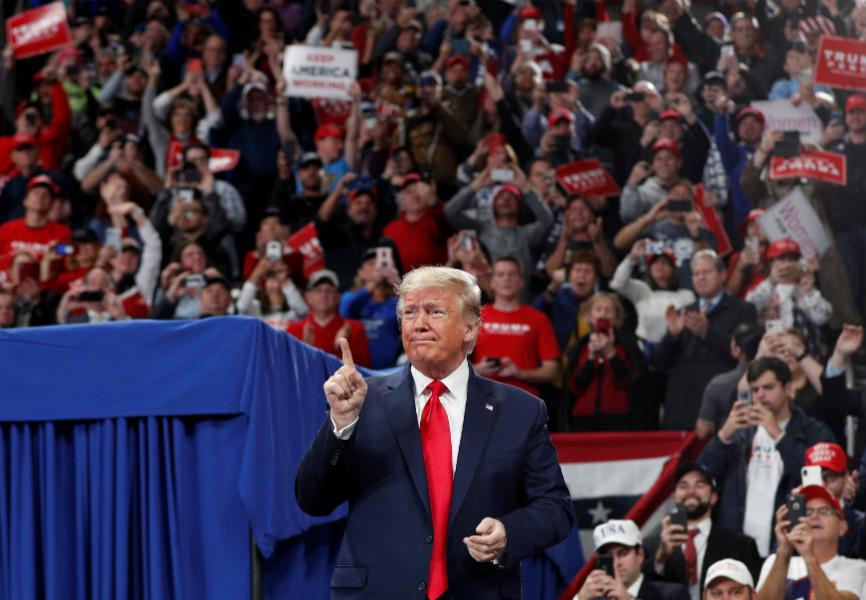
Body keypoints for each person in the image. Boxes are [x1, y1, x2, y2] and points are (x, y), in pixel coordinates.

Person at [295, 265, 575, 599]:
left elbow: (555, 507)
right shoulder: (360, 402)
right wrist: (340, 425)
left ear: (470, 328)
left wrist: (508, 532)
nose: (419, 323)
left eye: (435, 311)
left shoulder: (521, 411)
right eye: (409, 312)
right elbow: (313, 500)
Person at [699, 357, 835, 557]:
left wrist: (779, 436)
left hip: (788, 546)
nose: (760, 395)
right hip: (738, 545)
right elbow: (701, 476)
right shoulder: (740, 432)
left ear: (788, 388)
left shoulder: (815, 432)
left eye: (768, 387)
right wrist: (723, 435)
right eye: (755, 390)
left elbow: (819, 481)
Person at [653, 249, 756, 430]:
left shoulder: (742, 310)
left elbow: (745, 355)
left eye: (707, 272)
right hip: (679, 412)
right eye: (696, 274)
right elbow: (659, 363)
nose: (700, 278)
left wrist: (707, 333)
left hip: (720, 411)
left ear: (723, 275)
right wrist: (673, 336)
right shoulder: (683, 312)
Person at [641, 462, 762, 599]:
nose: (691, 491)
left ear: (713, 497)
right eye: (683, 486)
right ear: (674, 497)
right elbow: (640, 591)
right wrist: (660, 559)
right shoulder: (651, 546)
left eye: (699, 485)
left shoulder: (741, 545)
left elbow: (757, 592)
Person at [471, 256, 561, 397]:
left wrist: (520, 374)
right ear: (492, 282)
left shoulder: (538, 319)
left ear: (521, 281)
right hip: (482, 400)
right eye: (501, 274)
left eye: (512, 274)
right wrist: (479, 369)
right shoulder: (474, 318)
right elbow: (452, 367)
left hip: (524, 401)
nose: (507, 278)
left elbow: (552, 371)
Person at [756, 485, 866, 599]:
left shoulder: (857, 568)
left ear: (842, 527)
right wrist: (784, 551)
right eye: (807, 512)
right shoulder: (775, 562)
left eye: (824, 511)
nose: (814, 516)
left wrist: (809, 556)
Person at [562, 291, 645, 432]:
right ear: (589, 316)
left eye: (609, 310)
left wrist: (611, 352)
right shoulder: (580, 347)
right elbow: (574, 387)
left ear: (617, 317)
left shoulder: (627, 346)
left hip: (618, 416)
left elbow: (627, 383)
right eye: (598, 309)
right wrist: (591, 357)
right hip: (583, 417)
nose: (603, 314)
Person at [576, 519, 690, 600]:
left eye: (623, 554)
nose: (616, 563)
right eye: (609, 557)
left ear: (640, 554)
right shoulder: (596, 598)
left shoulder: (671, 594)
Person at [286, 269, 372, 368]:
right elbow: (289, 369)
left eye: (329, 290)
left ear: (338, 297)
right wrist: (306, 349)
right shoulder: (293, 330)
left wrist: (343, 348)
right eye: (318, 290)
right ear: (308, 297)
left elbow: (365, 370)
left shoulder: (354, 328)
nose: (324, 295)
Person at [804, 442, 866, 559]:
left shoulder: (859, 523)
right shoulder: (797, 516)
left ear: (846, 477)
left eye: (830, 476)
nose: (823, 483)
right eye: (816, 477)